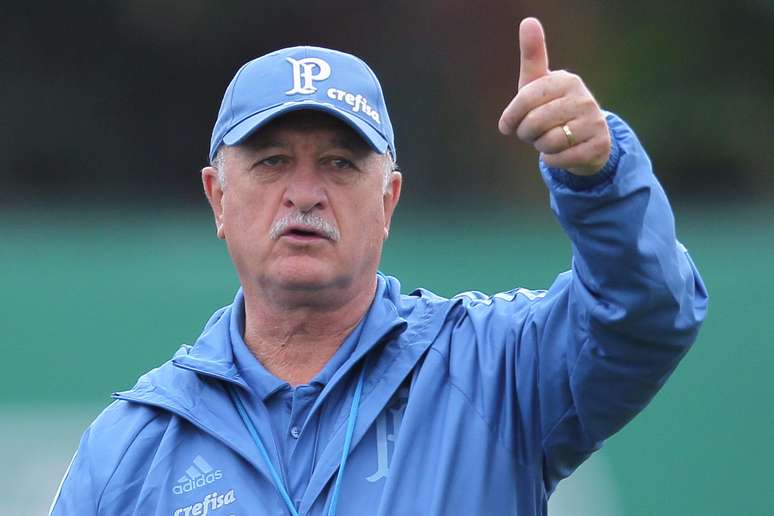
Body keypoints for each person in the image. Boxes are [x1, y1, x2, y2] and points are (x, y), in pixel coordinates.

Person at [50, 18, 707, 516]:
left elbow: (644, 316)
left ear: (387, 199)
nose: (305, 193)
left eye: (339, 163)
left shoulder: (490, 369)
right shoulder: (130, 451)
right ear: (218, 198)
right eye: (272, 160)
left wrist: (599, 182)